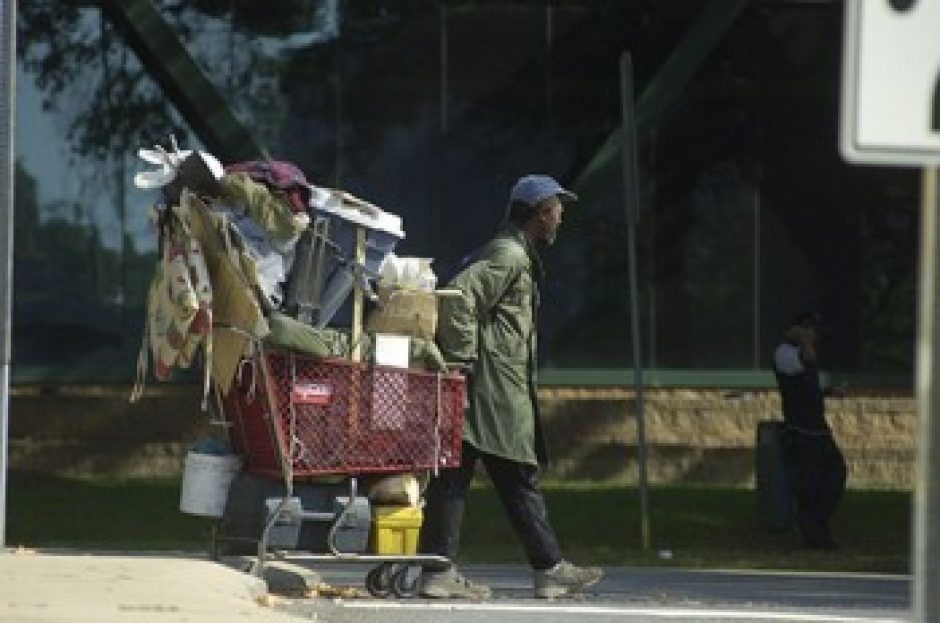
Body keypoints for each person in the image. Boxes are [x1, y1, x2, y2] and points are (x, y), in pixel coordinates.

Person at [417, 174, 604, 600]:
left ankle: (438, 570)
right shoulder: (508, 256)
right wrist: (462, 358)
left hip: (489, 389)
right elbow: (461, 296)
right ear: (540, 214)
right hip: (494, 390)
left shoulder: (510, 252)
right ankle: (549, 569)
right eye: (557, 212)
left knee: (456, 475)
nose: (560, 220)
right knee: (515, 476)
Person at [772, 311, 847, 550]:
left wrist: (828, 392)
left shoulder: (797, 353)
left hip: (816, 428)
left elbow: (805, 387)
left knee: (833, 475)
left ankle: (817, 524)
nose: (813, 336)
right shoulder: (783, 353)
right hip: (802, 432)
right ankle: (813, 527)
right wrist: (803, 339)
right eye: (810, 330)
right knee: (814, 481)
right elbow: (805, 364)